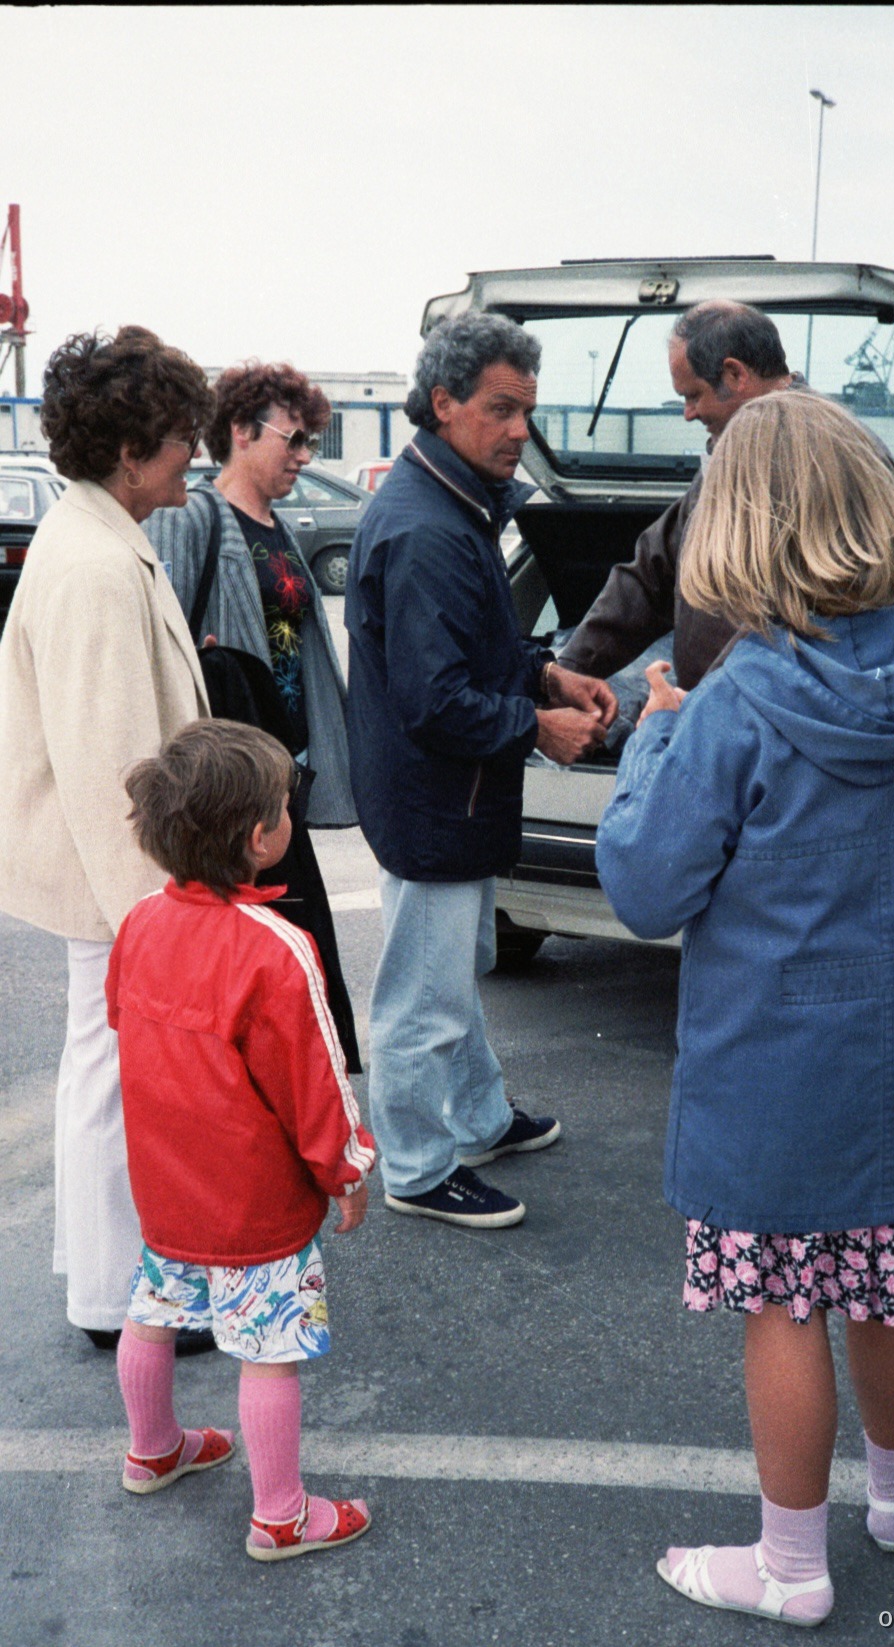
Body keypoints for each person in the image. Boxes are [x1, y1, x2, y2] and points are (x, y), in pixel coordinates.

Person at [595, 393, 894, 1627]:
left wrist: (650, 741)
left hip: (774, 1076)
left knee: (786, 1299)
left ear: (735, 532)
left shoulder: (735, 702)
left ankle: (791, 1566)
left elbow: (644, 886)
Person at [346, 312, 617, 1228]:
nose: (517, 432)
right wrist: (536, 726)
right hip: (433, 801)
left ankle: (479, 1117)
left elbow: (474, 647)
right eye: (500, 411)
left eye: (526, 412)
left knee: (456, 964)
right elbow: (434, 700)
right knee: (423, 994)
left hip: (443, 796)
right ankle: (418, 1169)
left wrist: (545, 670)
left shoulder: (455, 504)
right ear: (443, 403)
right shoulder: (427, 529)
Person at [108, 720, 376, 1562]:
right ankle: (282, 1512)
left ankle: (154, 1448)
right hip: (251, 1199)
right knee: (270, 1350)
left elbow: (122, 1020)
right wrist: (347, 1168)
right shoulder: (275, 948)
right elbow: (314, 1082)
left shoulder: (141, 921)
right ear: (260, 837)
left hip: (164, 1181)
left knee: (150, 1312)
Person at [0, 326, 214, 1353]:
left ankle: (106, 1277)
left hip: (102, 876)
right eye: (179, 439)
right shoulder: (94, 565)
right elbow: (110, 766)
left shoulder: (94, 539)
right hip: (114, 878)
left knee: (103, 1068)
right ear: (130, 452)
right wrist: (155, 918)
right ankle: (113, 1294)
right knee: (114, 1074)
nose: (193, 457)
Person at [145, 362, 362, 1072]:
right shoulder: (194, 517)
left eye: (309, 443)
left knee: (292, 939)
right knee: (257, 939)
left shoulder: (278, 527)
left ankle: (297, 1092)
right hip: (233, 783)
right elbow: (167, 637)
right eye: (294, 440)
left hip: (284, 770)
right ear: (240, 432)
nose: (304, 456)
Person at [559, 301, 795, 693]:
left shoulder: (831, 456)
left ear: (735, 374)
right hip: (711, 718)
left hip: (767, 726)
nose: (687, 414)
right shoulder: (729, 450)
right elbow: (654, 570)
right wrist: (569, 671)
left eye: (693, 395)